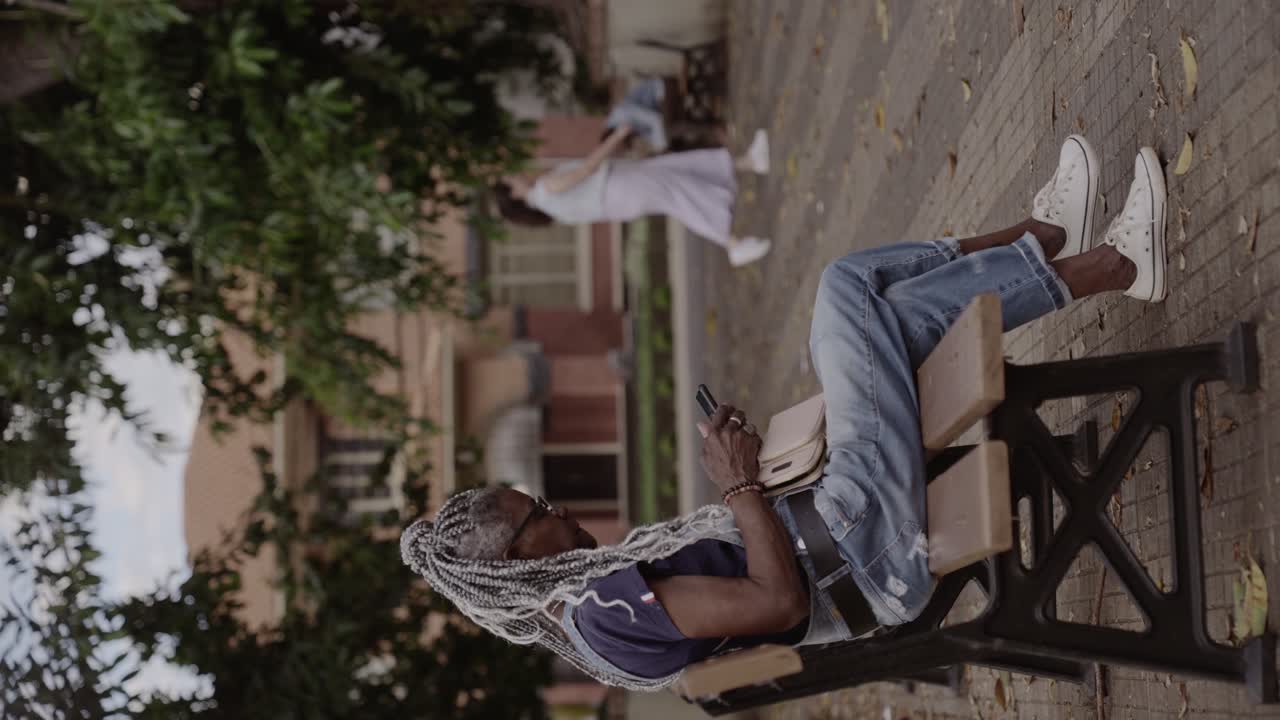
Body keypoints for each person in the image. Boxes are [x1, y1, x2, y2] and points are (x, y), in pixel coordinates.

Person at [403, 135, 1168, 690]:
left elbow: (753, 573)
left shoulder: (592, 603)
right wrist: (739, 487)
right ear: (513, 562)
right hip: (866, 551)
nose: (558, 507)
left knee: (885, 316)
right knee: (846, 294)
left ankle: (1059, 247)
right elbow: (778, 600)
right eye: (537, 512)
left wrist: (752, 480)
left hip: (843, 526)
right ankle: (1090, 254)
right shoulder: (601, 611)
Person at [495, 124, 775, 267]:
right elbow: (587, 169)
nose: (516, 175)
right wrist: (615, 138)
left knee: (678, 170)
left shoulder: (548, 206)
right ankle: (731, 243)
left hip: (619, 195)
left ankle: (749, 162)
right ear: (515, 194)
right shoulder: (545, 189)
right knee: (680, 194)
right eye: (510, 180)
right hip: (619, 187)